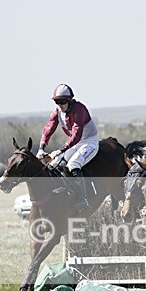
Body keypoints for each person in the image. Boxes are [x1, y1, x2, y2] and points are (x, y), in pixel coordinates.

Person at [36, 84, 99, 212]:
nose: (59, 105)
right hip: (75, 144)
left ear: (69, 100)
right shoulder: (58, 112)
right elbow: (49, 128)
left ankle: (83, 199)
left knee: (73, 164)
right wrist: (41, 148)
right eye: (56, 102)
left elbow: (76, 134)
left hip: (89, 142)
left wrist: (62, 149)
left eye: (62, 101)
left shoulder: (80, 109)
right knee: (54, 163)